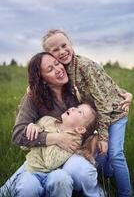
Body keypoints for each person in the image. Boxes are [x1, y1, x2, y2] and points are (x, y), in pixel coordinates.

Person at [42, 29, 133, 197]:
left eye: (64, 45)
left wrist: (103, 135)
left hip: (115, 113)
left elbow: (104, 101)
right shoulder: (65, 70)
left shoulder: (83, 65)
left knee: (115, 153)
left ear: (70, 44)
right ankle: (107, 177)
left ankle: (125, 193)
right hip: (99, 115)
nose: (62, 51)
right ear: (49, 55)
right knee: (100, 151)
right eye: (55, 50)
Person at [0, 52, 104, 197]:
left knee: (80, 172)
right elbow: (18, 135)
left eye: (57, 63)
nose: (58, 69)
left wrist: (124, 95)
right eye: (50, 69)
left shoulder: (75, 90)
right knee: (14, 190)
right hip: (43, 157)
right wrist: (56, 138)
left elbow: (99, 108)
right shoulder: (33, 97)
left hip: (72, 153)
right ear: (42, 79)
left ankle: (99, 185)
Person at [26, 103, 98, 172]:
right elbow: (24, 146)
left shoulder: (73, 141)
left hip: (49, 174)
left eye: (80, 112)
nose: (73, 108)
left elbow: (50, 163)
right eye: (76, 107)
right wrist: (31, 127)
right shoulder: (47, 120)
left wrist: (46, 134)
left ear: (80, 129)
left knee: (61, 178)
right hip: (30, 169)